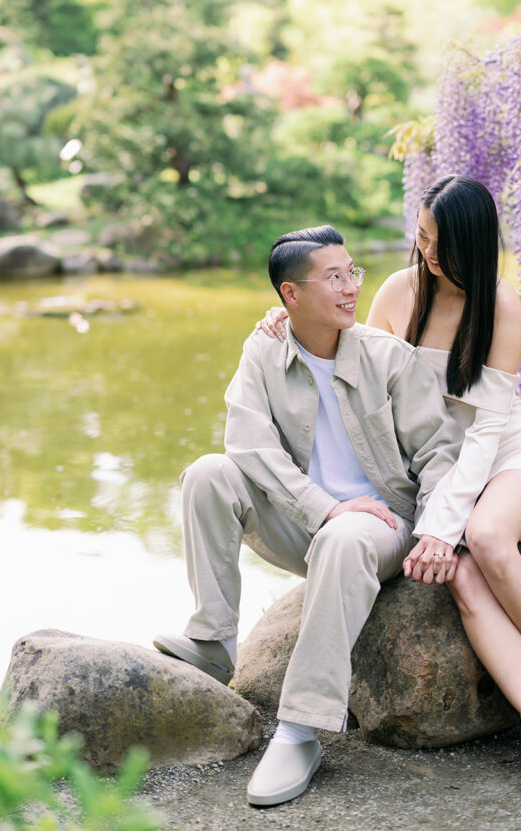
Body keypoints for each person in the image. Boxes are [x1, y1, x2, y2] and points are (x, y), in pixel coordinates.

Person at [256, 177, 521, 827]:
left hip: (504, 453)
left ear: (471, 242)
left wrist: (443, 522)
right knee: (463, 574)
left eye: (438, 242)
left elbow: (488, 428)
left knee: (489, 540)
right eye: (421, 236)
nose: (426, 251)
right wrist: (287, 321)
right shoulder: (398, 293)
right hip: (432, 467)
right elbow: (349, 374)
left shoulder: (499, 304)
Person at [154, 224, 462, 808]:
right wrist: (324, 506)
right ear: (290, 296)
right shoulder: (263, 350)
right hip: (310, 522)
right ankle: (214, 641)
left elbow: (440, 453)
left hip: (380, 528)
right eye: (334, 277)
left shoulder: (387, 356)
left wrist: (435, 535)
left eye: (354, 274)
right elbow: (247, 443)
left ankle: (299, 729)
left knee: (347, 535)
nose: (351, 288)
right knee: (206, 473)